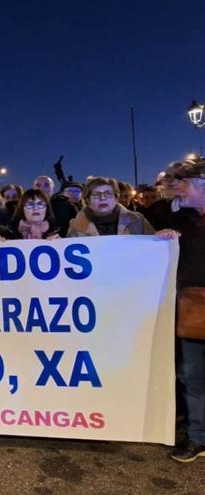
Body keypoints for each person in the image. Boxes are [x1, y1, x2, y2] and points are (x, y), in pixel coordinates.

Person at [156, 160, 205, 462]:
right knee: (192, 375)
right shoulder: (181, 220)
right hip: (192, 306)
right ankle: (198, 437)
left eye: (182, 183)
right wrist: (163, 239)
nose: (176, 188)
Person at [66, 178, 154, 237]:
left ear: (116, 198)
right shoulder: (76, 227)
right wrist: (56, 243)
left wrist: (161, 236)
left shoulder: (138, 221)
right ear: (87, 201)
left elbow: (155, 248)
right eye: (96, 195)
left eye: (108, 194)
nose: (102, 198)